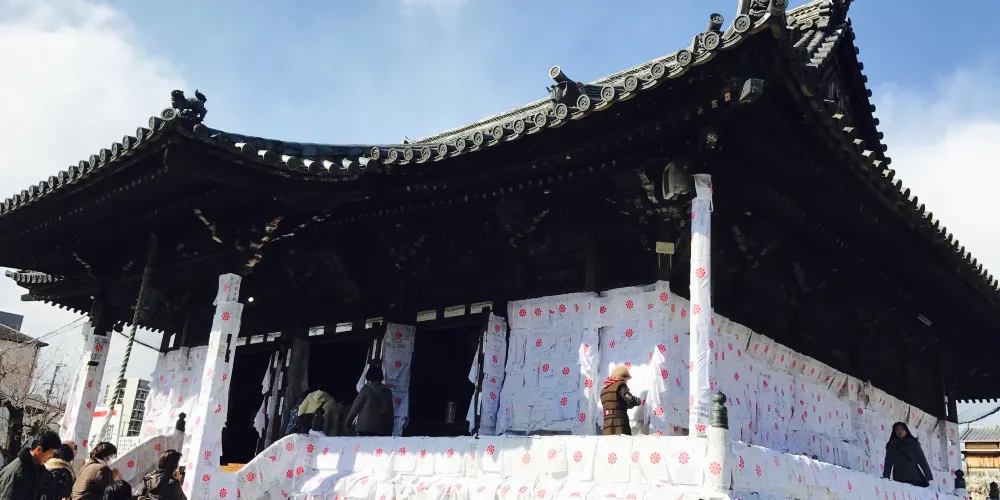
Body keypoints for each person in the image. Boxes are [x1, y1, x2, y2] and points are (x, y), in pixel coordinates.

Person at [0, 429, 61, 500]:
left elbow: (54, 484)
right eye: (51, 453)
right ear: (38, 450)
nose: (51, 457)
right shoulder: (19, 473)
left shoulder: (36, 467)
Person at [345, 364, 395, 436]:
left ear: (368, 376)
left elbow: (355, 408)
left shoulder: (365, 390)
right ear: (381, 376)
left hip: (364, 428)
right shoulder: (387, 391)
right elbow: (390, 412)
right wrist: (390, 428)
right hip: (381, 429)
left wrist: (347, 423)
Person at [882, 421, 932, 487]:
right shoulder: (892, 445)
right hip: (899, 478)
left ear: (906, 431)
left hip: (914, 477)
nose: (899, 431)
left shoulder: (914, 443)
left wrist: (928, 476)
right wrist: (886, 477)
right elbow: (888, 462)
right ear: (894, 432)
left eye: (902, 429)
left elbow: (922, 460)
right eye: (897, 429)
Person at [600, 365, 641, 436]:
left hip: (607, 426)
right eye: (626, 380)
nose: (626, 382)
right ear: (622, 378)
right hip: (620, 424)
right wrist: (638, 401)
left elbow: (615, 403)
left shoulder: (603, 389)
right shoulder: (620, 385)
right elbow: (629, 399)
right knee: (623, 443)